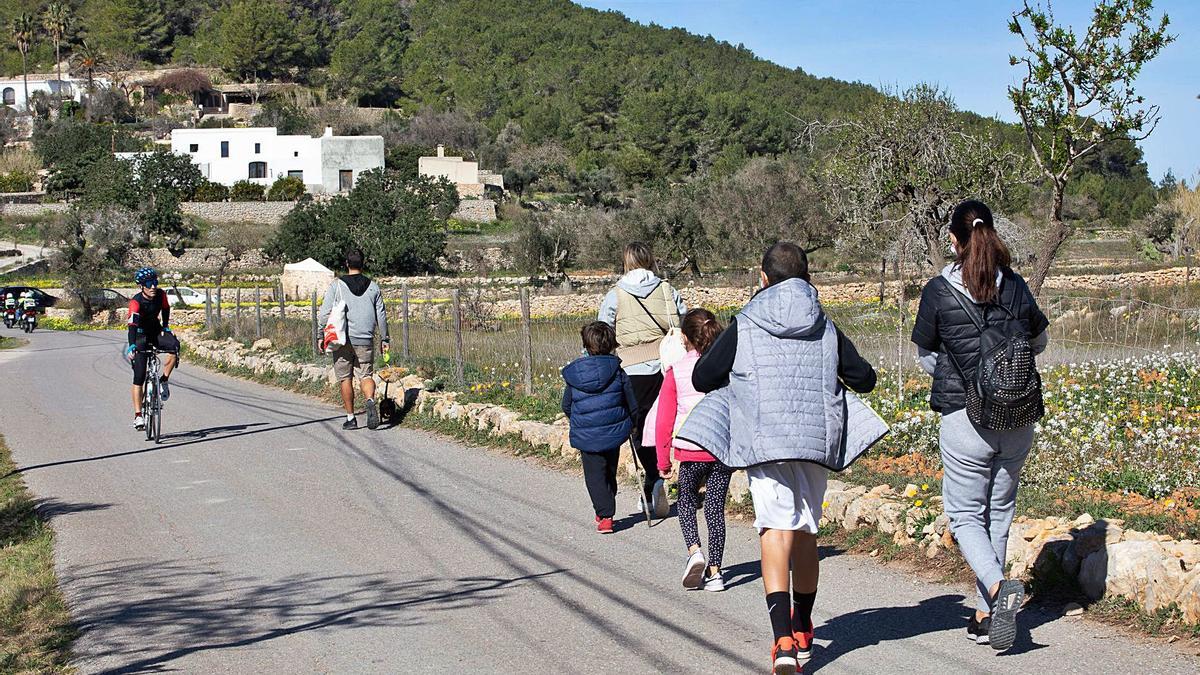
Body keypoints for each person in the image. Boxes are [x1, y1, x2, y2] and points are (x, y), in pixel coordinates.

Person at [691, 242, 877, 674]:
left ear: (763, 277)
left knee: (776, 531)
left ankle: (782, 641)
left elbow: (703, 377)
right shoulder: (825, 324)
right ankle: (805, 624)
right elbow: (864, 378)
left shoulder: (747, 323)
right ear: (808, 276)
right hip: (815, 442)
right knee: (806, 532)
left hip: (766, 441)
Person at [910, 200, 1049, 652]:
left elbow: (926, 356)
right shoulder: (1017, 286)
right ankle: (988, 614)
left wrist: (960, 375)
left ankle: (996, 588)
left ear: (953, 240)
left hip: (964, 415)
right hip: (1018, 414)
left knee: (965, 514)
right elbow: (1039, 340)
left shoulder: (938, 291)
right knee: (1000, 510)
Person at [598, 241, 686, 519]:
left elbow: (604, 328)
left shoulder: (617, 294)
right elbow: (682, 318)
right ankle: (666, 475)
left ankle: (652, 481)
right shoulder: (666, 288)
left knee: (639, 429)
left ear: (626, 262)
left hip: (632, 369)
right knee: (666, 425)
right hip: (668, 366)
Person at [655, 308, 731, 592]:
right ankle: (716, 572)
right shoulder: (728, 368)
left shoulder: (676, 371)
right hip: (722, 448)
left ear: (684, 338)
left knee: (686, 501)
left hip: (691, 447)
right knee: (715, 508)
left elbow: (663, 420)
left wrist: (663, 460)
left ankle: (694, 551)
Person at [561, 321, 638, 534]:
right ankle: (607, 504)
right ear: (612, 343)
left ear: (586, 345)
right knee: (609, 470)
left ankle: (605, 516)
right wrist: (633, 423)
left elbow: (566, 404)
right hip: (613, 431)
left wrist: (579, 419)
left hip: (587, 433)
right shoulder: (617, 371)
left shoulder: (576, 374)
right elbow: (630, 400)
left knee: (594, 475)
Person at [317, 248, 390, 431]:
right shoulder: (373, 287)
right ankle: (370, 400)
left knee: (345, 378)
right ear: (363, 263)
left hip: (341, 340)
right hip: (365, 339)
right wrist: (384, 339)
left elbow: (325, 313)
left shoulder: (337, 285)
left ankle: (351, 418)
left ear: (347, 264)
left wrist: (321, 334)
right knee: (365, 375)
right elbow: (381, 315)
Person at [125, 267, 178, 431]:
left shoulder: (161, 295)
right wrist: (132, 345)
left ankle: (164, 380)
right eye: (149, 283)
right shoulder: (136, 302)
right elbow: (132, 325)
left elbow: (166, 309)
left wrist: (166, 326)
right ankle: (138, 415)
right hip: (140, 335)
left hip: (155, 331)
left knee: (174, 346)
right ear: (141, 286)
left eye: (155, 282)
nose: (153, 286)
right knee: (139, 376)